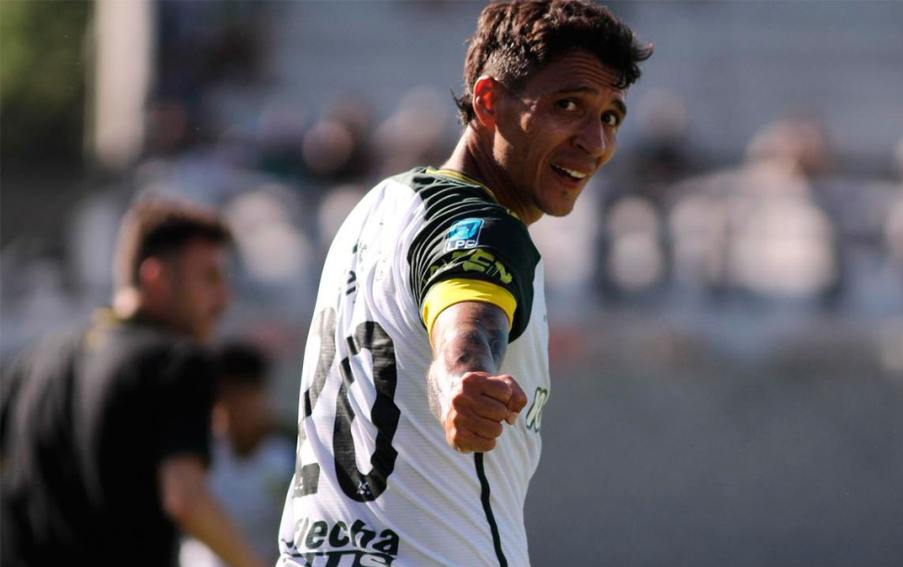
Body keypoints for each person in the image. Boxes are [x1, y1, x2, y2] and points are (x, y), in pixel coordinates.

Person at [276, 1, 651, 566]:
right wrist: (462, 379)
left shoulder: (378, 207)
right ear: (489, 101)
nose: (594, 142)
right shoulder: (486, 229)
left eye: (611, 117)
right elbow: (466, 325)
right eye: (567, 105)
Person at [1, 200, 265, 567]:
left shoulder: (37, 358)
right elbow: (185, 498)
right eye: (210, 278)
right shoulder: (177, 360)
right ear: (155, 277)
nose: (223, 298)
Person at [180, 341, 294, 567]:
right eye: (226, 399)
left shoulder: (288, 455)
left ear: (260, 395)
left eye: (242, 398)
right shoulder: (197, 454)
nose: (233, 411)